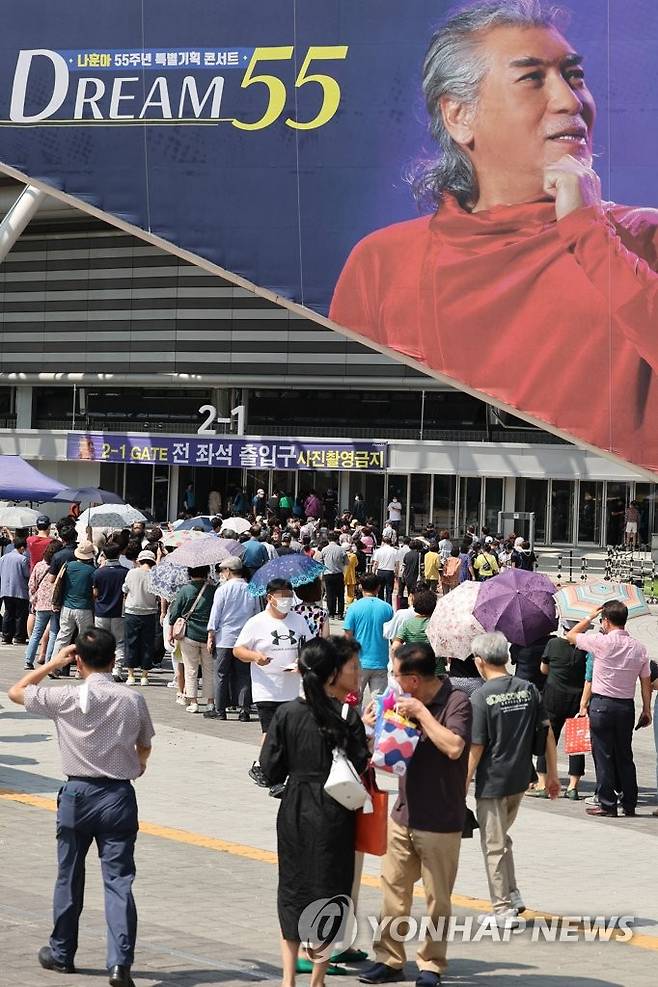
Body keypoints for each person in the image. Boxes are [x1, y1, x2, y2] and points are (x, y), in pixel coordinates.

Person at [330, 1, 658, 476]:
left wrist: (588, 232)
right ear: (459, 115)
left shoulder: (640, 237)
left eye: (575, 76)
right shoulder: (383, 262)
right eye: (532, 78)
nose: (570, 101)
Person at [7, 628, 154, 987]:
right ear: (112, 658)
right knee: (119, 880)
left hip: (77, 793)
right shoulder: (132, 699)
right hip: (118, 795)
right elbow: (145, 745)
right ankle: (119, 963)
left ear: (79, 662)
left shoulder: (66, 697)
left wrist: (51, 664)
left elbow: (16, 692)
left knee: (69, 874)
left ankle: (62, 953)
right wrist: (137, 765)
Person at [359, 643, 471, 987]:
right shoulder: (399, 701)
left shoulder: (456, 701)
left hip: (441, 819)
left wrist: (422, 713)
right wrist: (369, 727)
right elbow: (383, 754)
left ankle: (432, 964)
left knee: (438, 897)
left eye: (396, 676)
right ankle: (389, 959)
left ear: (413, 680)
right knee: (393, 889)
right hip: (403, 813)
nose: (393, 681)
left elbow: (454, 747)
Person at [261, 637, 369, 987]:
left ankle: (288, 979)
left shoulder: (286, 713)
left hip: (295, 808)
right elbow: (361, 763)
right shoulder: (344, 714)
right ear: (333, 673)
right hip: (335, 811)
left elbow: (270, 770)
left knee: (292, 889)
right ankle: (317, 979)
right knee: (329, 888)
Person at [466, 631, 560, 926]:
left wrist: (461, 784)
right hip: (520, 779)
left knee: (493, 845)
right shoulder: (528, 689)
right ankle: (514, 893)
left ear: (480, 662)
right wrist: (553, 775)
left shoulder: (481, 697)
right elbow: (547, 732)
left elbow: (477, 746)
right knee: (501, 838)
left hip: (493, 782)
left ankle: (503, 909)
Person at [566, 601, 653, 817]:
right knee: (625, 755)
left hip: (602, 705)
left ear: (605, 621)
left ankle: (607, 803)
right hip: (625, 707)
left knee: (603, 754)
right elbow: (645, 681)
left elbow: (571, 635)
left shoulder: (600, 642)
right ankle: (630, 803)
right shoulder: (639, 648)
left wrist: (588, 617)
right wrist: (647, 709)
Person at [234, 578, 309, 788]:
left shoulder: (299, 620)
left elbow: (309, 646)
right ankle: (263, 767)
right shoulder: (256, 622)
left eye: (289, 595)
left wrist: (302, 662)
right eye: (282, 596)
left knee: (289, 733)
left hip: (293, 686)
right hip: (267, 686)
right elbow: (238, 650)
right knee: (270, 731)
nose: (286, 600)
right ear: (270, 598)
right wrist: (255, 656)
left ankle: (274, 769)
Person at [534, 620, 588, 799]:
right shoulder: (586, 649)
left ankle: (543, 784)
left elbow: (543, 669)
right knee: (576, 743)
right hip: (577, 700)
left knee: (548, 739)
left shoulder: (554, 643)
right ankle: (573, 787)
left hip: (553, 698)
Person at [206, 556, 260, 720]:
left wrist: (210, 636)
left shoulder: (222, 590)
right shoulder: (252, 589)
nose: (222, 573)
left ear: (228, 571)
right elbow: (256, 614)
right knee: (244, 674)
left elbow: (215, 615)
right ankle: (244, 710)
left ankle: (220, 709)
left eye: (223, 570)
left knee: (221, 674)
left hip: (225, 638)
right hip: (245, 639)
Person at [168, 565, 216, 714]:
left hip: (189, 634)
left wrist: (170, 632)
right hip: (209, 635)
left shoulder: (185, 590)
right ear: (207, 572)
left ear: (190, 573)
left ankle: (193, 701)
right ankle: (210, 702)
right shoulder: (213, 590)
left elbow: (174, 613)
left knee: (190, 669)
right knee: (209, 670)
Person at [343, 573, 393, 699]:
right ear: (378, 588)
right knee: (379, 704)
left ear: (360, 587)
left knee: (354, 703)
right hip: (380, 661)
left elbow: (347, 636)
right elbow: (392, 636)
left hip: (358, 662)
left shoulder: (353, 608)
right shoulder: (387, 608)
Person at [50, 541, 96, 666]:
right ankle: (81, 669)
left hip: (67, 607)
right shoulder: (92, 570)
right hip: (84, 608)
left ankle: (54, 666)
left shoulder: (68, 566)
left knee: (63, 637)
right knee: (85, 639)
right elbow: (94, 592)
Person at [93, 542, 129, 682]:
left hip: (101, 611)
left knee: (100, 642)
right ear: (119, 554)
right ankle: (117, 669)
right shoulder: (125, 572)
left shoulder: (98, 572)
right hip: (119, 611)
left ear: (104, 555)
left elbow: (95, 593)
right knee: (119, 642)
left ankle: (101, 669)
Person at [122, 550, 159, 687]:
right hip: (149, 612)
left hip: (132, 611)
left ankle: (131, 675)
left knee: (131, 642)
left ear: (140, 560)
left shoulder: (132, 572)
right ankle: (144, 675)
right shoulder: (155, 575)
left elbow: (125, 589)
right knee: (147, 644)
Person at [24, 539, 63, 669]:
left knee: (36, 633)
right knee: (53, 633)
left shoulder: (39, 566)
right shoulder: (59, 567)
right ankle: (48, 661)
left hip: (41, 604)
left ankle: (28, 660)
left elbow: (31, 585)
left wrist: (34, 598)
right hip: (55, 604)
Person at [0, 535, 30, 645]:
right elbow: (27, 574)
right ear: (22, 548)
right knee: (20, 615)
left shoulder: (3, 558)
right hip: (20, 591)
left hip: (6, 590)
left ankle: (6, 637)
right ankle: (18, 637)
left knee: (8, 613)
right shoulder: (23, 559)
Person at [319, 532, 347, 619]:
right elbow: (347, 562)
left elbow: (320, 563)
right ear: (337, 539)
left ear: (328, 539)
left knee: (330, 594)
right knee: (340, 595)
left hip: (328, 575)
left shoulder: (324, 550)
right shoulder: (341, 549)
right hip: (338, 574)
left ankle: (331, 613)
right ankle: (340, 614)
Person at [371, 535, 398, 604]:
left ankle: (380, 603)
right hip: (390, 571)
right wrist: (396, 574)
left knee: (380, 590)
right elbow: (397, 564)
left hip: (380, 571)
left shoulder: (378, 551)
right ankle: (388, 604)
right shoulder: (395, 551)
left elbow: (375, 563)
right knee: (389, 591)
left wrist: (373, 572)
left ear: (383, 542)